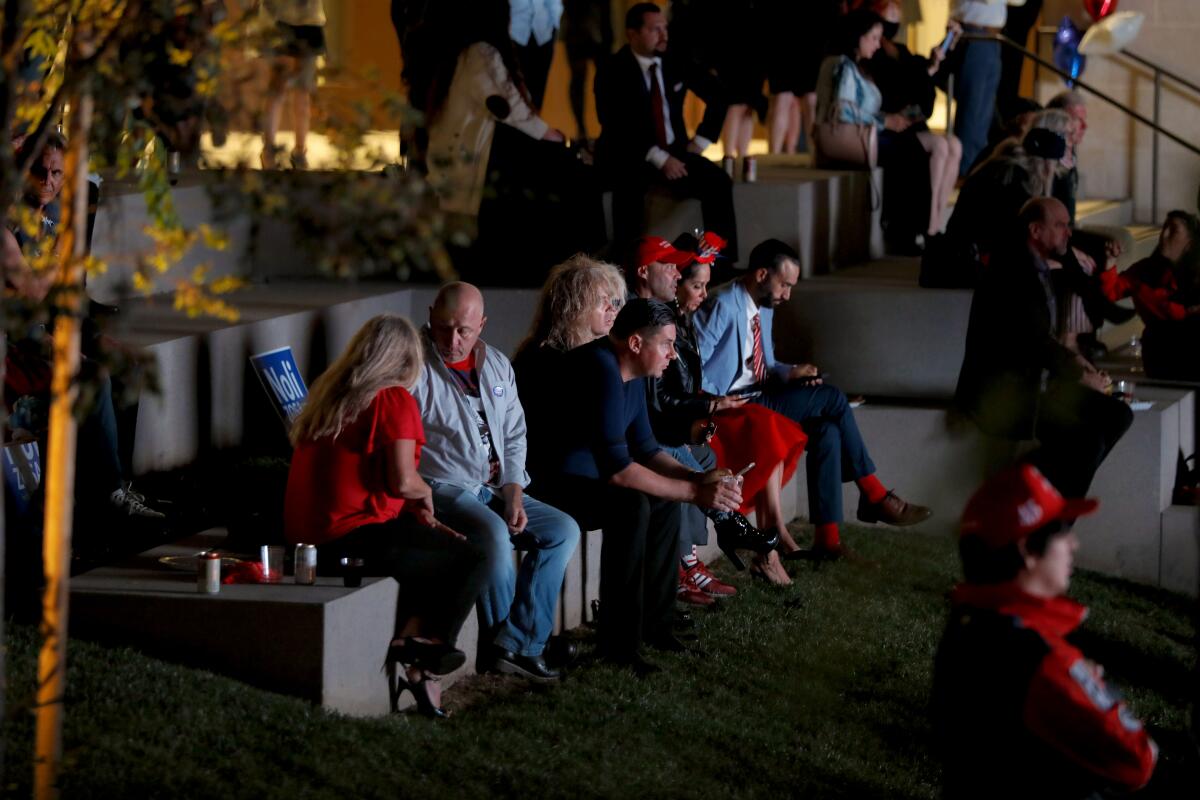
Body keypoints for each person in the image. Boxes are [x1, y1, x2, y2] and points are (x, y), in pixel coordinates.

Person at [518, 298, 744, 675]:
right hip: (548, 483)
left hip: (591, 477)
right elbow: (619, 471)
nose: (673, 355)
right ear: (636, 343)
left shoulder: (632, 373)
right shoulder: (599, 367)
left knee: (660, 499)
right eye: (667, 344)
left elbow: (647, 449)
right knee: (632, 505)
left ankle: (657, 627)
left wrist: (696, 479)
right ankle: (618, 645)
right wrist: (695, 494)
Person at [285, 315, 489, 718]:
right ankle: (428, 653)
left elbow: (372, 477)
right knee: (472, 557)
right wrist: (425, 493)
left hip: (308, 542)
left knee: (429, 546)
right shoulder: (393, 398)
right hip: (350, 537)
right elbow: (402, 481)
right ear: (408, 359)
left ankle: (412, 649)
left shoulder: (330, 398)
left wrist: (415, 510)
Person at [694, 239, 931, 561]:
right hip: (735, 407)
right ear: (762, 274)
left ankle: (828, 540)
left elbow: (767, 364)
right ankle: (875, 495)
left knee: (827, 431)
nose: (787, 295)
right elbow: (694, 367)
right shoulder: (723, 303)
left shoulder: (763, 306)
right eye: (785, 284)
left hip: (762, 394)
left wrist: (792, 372)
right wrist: (720, 399)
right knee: (832, 399)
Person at [932, 464, 1157, 799]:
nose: (1074, 544)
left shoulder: (968, 623)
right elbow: (1138, 760)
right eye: (1063, 531)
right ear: (1027, 550)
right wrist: (1091, 686)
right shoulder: (1040, 658)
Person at [410, 283, 581, 682]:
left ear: (481, 325)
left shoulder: (497, 364)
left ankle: (519, 641)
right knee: (493, 535)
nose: (453, 340)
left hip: (493, 486)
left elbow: (514, 434)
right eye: (443, 327)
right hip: (444, 485)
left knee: (563, 530)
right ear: (431, 314)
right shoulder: (413, 365)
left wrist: (514, 491)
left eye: (464, 331)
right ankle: (512, 647)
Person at [2, 133, 163, 523]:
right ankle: (105, 492)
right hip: (20, 340)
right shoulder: (8, 223)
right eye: (40, 171)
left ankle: (118, 482)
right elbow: (33, 288)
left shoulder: (55, 214)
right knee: (93, 375)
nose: (49, 180)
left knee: (130, 364)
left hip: (59, 320)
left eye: (57, 172)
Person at [626, 235, 787, 592]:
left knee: (708, 452)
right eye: (670, 267)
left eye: (676, 267)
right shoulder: (640, 321)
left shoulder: (671, 316)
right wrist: (709, 405)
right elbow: (657, 398)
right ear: (642, 272)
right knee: (692, 460)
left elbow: (669, 389)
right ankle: (716, 537)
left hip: (670, 423)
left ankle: (698, 552)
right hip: (653, 432)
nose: (674, 273)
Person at [405, 1, 604, 284]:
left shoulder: (460, 52)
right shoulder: (480, 53)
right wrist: (555, 136)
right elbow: (508, 106)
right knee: (564, 168)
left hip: (465, 154)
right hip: (472, 158)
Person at [955, 198, 1133, 499]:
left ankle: (1049, 503)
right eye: (1060, 225)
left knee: (1117, 415)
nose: (1068, 232)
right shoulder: (1012, 270)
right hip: (1004, 393)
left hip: (1035, 383)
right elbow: (1032, 342)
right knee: (1087, 440)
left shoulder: (1037, 265)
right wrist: (1080, 374)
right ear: (1036, 231)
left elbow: (1042, 339)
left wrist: (1080, 365)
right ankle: (1045, 515)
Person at [594, 3, 737, 260]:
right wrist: (660, 158)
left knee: (718, 182)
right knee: (627, 188)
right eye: (654, 29)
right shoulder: (612, 69)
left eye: (665, 28)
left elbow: (718, 93)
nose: (664, 35)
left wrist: (701, 141)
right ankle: (627, 264)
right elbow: (614, 123)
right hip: (631, 153)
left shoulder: (675, 60)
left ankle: (720, 260)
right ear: (632, 34)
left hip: (677, 151)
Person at [814, 9, 935, 254]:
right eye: (872, 38)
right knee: (909, 152)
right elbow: (843, 110)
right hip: (850, 137)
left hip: (864, 132)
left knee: (911, 148)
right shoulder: (844, 66)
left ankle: (912, 228)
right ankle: (905, 229)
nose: (877, 45)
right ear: (857, 37)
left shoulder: (858, 66)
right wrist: (884, 122)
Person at [867, 0, 962, 245]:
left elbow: (921, 75)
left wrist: (937, 58)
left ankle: (936, 221)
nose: (895, 19)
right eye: (888, 14)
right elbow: (901, 86)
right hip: (893, 126)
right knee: (940, 147)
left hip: (913, 124)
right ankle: (928, 228)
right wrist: (926, 71)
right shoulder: (872, 55)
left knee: (954, 145)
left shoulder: (902, 50)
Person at [1099, 210, 1200, 381]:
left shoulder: (1196, 274)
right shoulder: (1145, 271)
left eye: (1173, 230)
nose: (1164, 234)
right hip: (1160, 351)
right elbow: (1112, 290)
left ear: (1189, 244)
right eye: (1164, 228)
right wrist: (1109, 264)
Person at [765, 0, 846, 155]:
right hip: (800, 38)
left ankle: (783, 153)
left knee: (797, 99)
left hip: (799, 38)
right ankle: (806, 153)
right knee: (794, 99)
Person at [260, 0, 326, 169]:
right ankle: (269, 149)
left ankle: (299, 151)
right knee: (278, 87)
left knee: (303, 90)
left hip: (311, 21)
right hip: (281, 19)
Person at [949, 0, 1007, 176]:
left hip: (992, 37)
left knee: (984, 112)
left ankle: (974, 171)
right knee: (972, 110)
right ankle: (963, 173)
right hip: (972, 33)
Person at [561, 0, 613, 140]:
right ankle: (581, 128)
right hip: (577, 30)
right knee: (579, 81)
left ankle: (608, 125)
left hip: (598, 29)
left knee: (606, 82)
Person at [509, 0, 563, 110]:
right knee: (520, 84)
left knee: (540, 84)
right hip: (517, 35)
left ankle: (537, 115)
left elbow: (554, 3)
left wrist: (555, 26)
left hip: (544, 33)